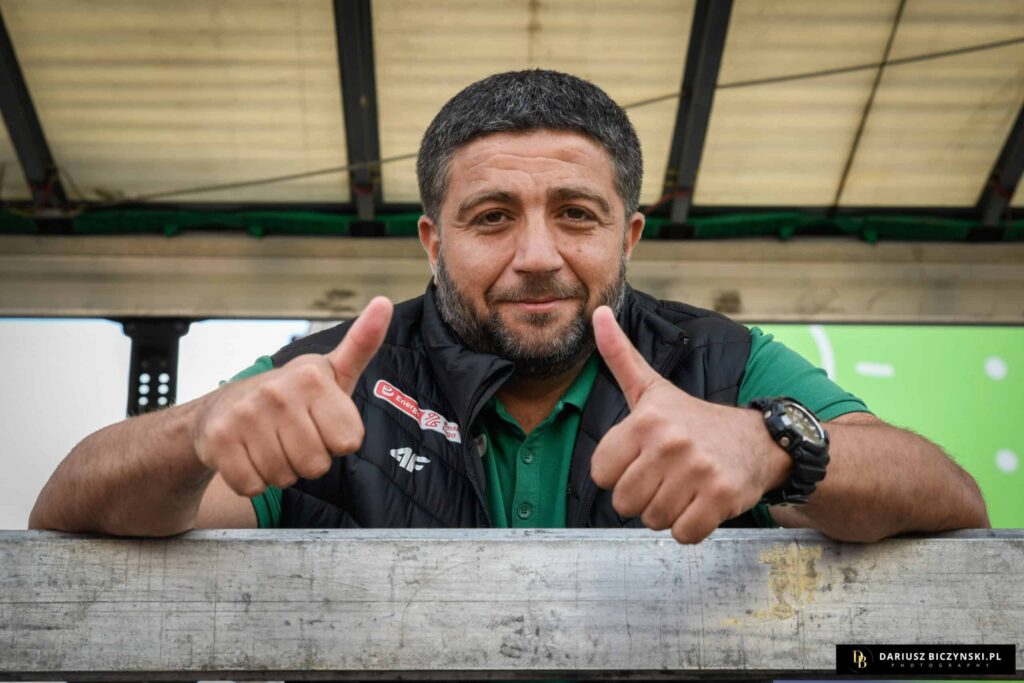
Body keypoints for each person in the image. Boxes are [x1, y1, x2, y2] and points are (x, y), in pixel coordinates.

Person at [30, 70, 989, 542]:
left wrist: (772, 444)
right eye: (492, 217)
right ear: (431, 239)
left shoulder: (719, 362)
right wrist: (197, 429)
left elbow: (952, 498)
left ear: (629, 235)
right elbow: (66, 509)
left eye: (576, 214)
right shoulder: (333, 376)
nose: (537, 256)